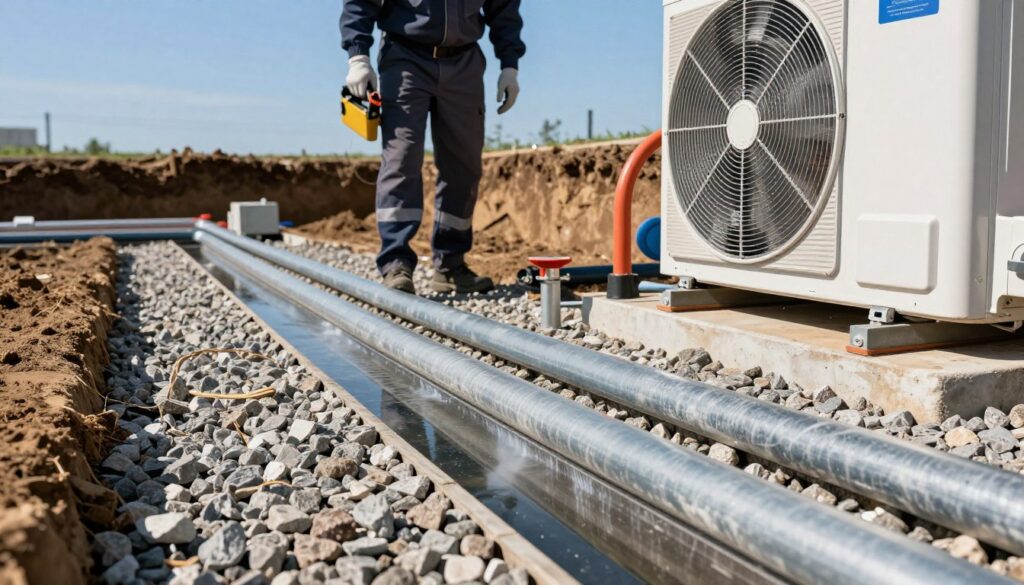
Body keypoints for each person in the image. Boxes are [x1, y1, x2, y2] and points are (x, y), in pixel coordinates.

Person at [340, 0, 526, 294]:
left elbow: (503, 9)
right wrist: (358, 56)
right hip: (405, 59)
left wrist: (510, 66)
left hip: (464, 64)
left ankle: (451, 264)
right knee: (402, 159)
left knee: (463, 166)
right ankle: (396, 261)